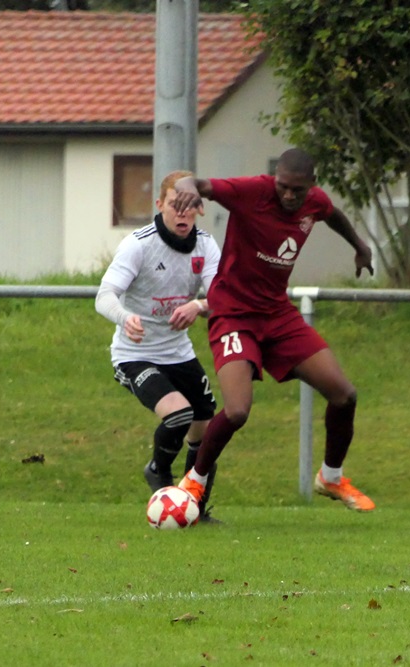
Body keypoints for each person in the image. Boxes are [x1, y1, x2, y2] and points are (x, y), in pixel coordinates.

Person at [172, 148, 376, 512]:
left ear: (311, 185)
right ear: (274, 179)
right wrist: (188, 188)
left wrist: (360, 246)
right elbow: (196, 183)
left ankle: (331, 477)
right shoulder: (252, 191)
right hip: (233, 313)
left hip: (278, 315)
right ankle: (194, 481)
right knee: (237, 411)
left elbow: (332, 214)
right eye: (283, 186)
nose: (288, 195)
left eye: (297, 189)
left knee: (344, 395)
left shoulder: (315, 202)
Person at [96, 170, 222, 520]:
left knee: (206, 431)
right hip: (134, 354)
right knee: (178, 413)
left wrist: (198, 305)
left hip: (178, 352)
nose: (182, 212)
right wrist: (124, 317)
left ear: (198, 208)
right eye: (174, 204)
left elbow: (222, 297)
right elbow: (104, 296)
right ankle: (160, 474)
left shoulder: (206, 245)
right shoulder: (139, 244)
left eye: (189, 205)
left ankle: (196, 508)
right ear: (159, 205)